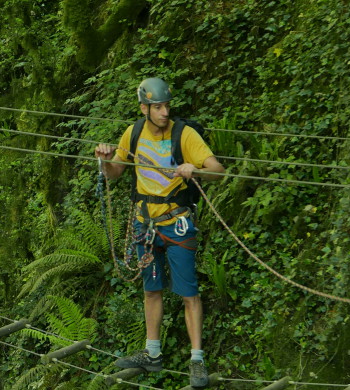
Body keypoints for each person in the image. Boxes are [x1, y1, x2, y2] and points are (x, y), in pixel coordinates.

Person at [94, 77, 225, 388]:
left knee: (188, 293)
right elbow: (115, 173)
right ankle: (152, 353)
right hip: (145, 223)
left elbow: (219, 171)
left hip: (177, 222)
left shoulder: (185, 134)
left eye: (167, 105)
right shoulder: (134, 133)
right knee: (151, 290)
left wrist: (197, 170)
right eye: (158, 107)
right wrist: (103, 162)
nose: (165, 112)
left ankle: (197, 359)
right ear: (144, 108)